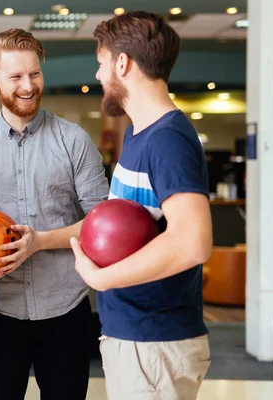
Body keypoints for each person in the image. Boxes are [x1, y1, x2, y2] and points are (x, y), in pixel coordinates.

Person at [0, 28, 110, 399]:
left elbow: (102, 222)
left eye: (34, 74)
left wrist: (40, 242)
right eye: (16, 76)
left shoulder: (74, 141)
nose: (28, 85)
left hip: (66, 309)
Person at [68, 11, 213, 399]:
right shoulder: (137, 133)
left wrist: (99, 280)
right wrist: (41, 240)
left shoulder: (168, 139)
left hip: (155, 344)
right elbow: (116, 227)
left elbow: (192, 242)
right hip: (135, 338)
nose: (98, 77)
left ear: (122, 63)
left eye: (101, 64)